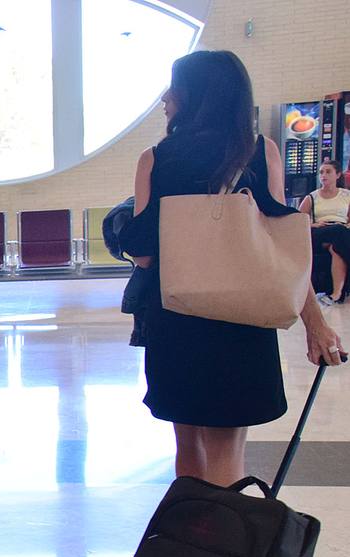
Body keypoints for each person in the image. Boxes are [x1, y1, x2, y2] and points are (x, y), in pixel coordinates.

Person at [121, 50, 344, 487]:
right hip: (242, 318)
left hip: (176, 317)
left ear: (196, 95)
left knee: (188, 450)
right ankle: (225, 549)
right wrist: (315, 325)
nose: (166, 97)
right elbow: (280, 247)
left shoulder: (156, 158)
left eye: (174, 87)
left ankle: (192, 544)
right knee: (227, 455)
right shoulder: (262, 152)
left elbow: (144, 254)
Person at [300, 158, 350, 304]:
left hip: (341, 230)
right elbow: (298, 220)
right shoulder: (312, 197)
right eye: (321, 172)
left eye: (328, 172)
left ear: (338, 175)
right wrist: (313, 225)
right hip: (319, 232)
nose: (324, 175)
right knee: (339, 232)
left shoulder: (346, 195)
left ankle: (336, 293)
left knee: (337, 246)